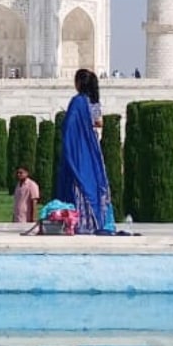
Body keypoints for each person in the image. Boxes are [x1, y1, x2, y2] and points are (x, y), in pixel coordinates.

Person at [55, 69, 112, 233]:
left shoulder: (77, 101)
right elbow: (99, 122)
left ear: (79, 83)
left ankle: (78, 222)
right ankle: (96, 221)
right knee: (93, 178)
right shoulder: (93, 101)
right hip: (91, 146)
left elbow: (69, 125)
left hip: (78, 147)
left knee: (77, 179)